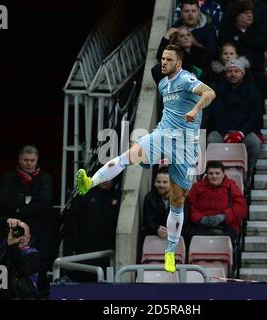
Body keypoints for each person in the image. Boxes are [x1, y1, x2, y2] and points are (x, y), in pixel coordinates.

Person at [76, 44, 216, 273]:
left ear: (178, 64)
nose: (163, 62)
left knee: (177, 201)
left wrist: (196, 109)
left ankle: (170, 251)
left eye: (168, 59)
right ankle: (89, 182)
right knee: (127, 156)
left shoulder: (187, 79)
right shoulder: (162, 84)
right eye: (162, 58)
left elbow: (210, 92)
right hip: (162, 135)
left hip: (185, 144)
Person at [0, 145, 54, 294]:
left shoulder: (46, 179)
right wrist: (29, 201)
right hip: (16, 229)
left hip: (40, 231)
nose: (29, 163)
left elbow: (45, 204)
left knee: (40, 266)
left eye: (32, 160)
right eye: (25, 160)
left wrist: (19, 206)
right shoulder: (8, 178)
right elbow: (4, 202)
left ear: (37, 161)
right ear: (19, 159)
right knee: (14, 261)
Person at [207, 58, 263, 185]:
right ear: (225, 73)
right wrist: (225, 133)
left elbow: (255, 115)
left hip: (244, 132)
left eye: (236, 71)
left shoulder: (252, 91)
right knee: (211, 140)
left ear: (242, 73)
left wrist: (241, 133)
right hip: (222, 131)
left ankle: (248, 176)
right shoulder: (219, 90)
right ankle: (213, 175)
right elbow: (217, 114)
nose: (233, 74)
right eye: (230, 71)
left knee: (255, 143)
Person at [63, 179, 120, 282]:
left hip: (108, 251)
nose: (106, 180)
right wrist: (74, 245)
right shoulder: (84, 195)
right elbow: (73, 222)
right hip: (85, 250)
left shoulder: (118, 197)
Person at [188, 161, 247, 246]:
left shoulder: (231, 187)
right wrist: (200, 218)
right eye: (211, 173)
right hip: (200, 226)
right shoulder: (197, 187)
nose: (214, 176)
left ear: (223, 174)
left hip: (226, 226)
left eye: (217, 173)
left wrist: (223, 216)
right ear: (206, 175)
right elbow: (189, 206)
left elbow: (241, 207)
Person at [0, 217, 40, 300]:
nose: (21, 238)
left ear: (28, 238)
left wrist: (13, 246)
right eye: (18, 233)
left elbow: (25, 269)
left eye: (24, 235)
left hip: (18, 297)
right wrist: (5, 221)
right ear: (10, 233)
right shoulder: (0, 247)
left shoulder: (32, 254)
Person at [142, 167, 171, 239]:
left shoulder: (181, 198)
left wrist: (170, 231)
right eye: (158, 181)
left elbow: (183, 221)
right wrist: (157, 229)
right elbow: (148, 221)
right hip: (154, 236)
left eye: (165, 182)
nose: (161, 185)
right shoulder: (150, 198)